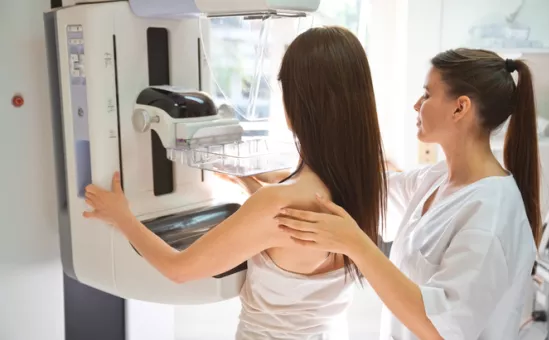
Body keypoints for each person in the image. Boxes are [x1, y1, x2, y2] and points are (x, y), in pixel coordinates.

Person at [82, 26, 388, 340]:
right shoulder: (362, 186)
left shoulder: (277, 204)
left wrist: (122, 217)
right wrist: (248, 183)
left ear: (298, 105)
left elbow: (179, 269)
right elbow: (294, 239)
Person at [277, 48, 540, 340]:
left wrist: (357, 245)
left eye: (427, 95)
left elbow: (440, 330)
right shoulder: (439, 179)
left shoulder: (490, 216)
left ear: (460, 108)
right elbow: (373, 192)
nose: (417, 105)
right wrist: (268, 179)